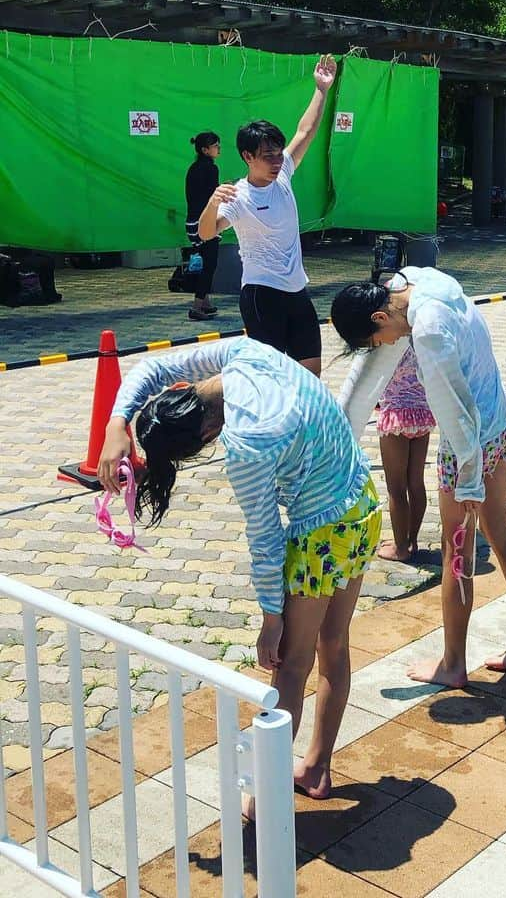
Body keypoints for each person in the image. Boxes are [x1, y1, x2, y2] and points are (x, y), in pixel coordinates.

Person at [97, 337, 381, 808]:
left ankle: (262, 796)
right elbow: (151, 368)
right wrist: (117, 422)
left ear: (208, 435)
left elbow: (266, 539)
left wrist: (272, 618)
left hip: (325, 533)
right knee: (334, 644)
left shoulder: (248, 444)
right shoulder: (249, 354)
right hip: (361, 500)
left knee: (290, 665)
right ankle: (316, 766)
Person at [333, 267, 506, 687]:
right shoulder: (418, 282)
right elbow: (367, 375)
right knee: (500, 535)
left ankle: (452, 664)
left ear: (379, 319)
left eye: (378, 338)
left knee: (457, 555)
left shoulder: (428, 331)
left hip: (469, 441)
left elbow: (454, 408)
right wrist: (339, 440)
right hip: (498, 420)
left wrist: (467, 480)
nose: (388, 345)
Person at [198, 55, 338, 377]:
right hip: (262, 296)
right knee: (271, 377)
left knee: (310, 375)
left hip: (297, 292)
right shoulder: (239, 195)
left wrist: (321, 89)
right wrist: (211, 204)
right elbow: (206, 234)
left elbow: (305, 132)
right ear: (248, 157)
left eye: (278, 153)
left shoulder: (284, 173)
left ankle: (300, 427)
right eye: (267, 156)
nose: (277, 160)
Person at [373, 345, 436, 562]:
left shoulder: (387, 342)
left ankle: (400, 548)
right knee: (416, 483)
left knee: (396, 488)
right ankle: (412, 540)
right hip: (421, 414)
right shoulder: (420, 339)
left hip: (396, 417)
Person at [184, 132, 222, 321]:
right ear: (204, 150)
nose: (218, 148)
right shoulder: (211, 169)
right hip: (203, 223)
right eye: (215, 145)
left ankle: (205, 303)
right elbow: (212, 199)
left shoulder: (193, 168)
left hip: (191, 222)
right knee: (210, 265)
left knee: (206, 261)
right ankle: (197, 305)